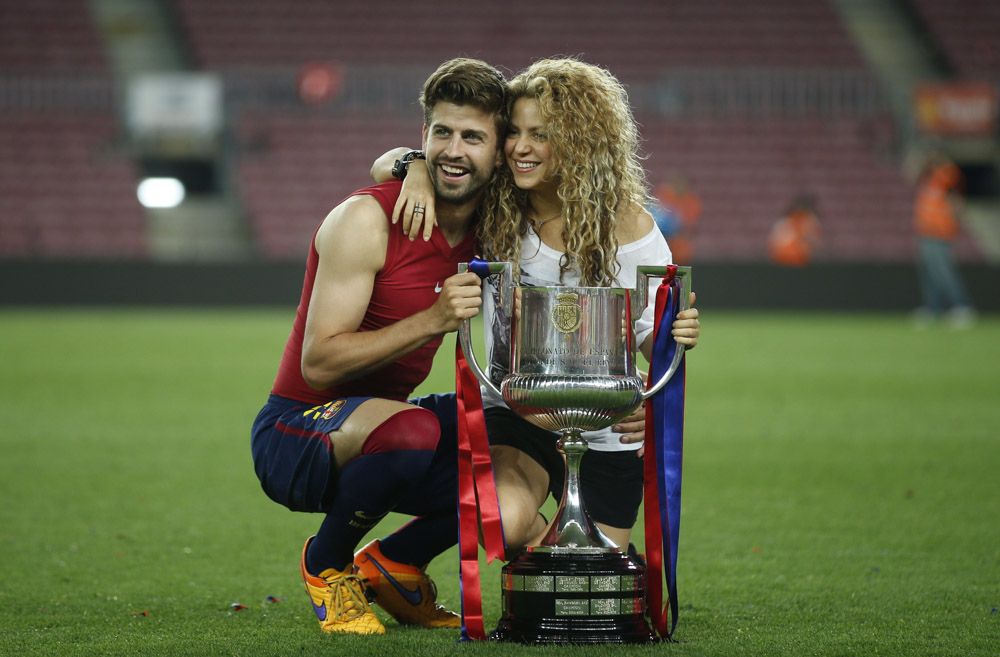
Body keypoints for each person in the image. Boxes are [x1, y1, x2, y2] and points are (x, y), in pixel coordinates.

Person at [372, 58, 700, 553]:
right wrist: (415, 168)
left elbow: (650, 335)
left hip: (604, 425)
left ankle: (400, 561)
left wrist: (671, 344)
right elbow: (386, 163)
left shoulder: (632, 229)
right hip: (515, 413)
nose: (521, 148)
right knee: (502, 523)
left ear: (580, 141)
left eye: (540, 134)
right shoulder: (494, 204)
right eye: (515, 132)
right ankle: (414, 557)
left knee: (593, 577)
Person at [250, 58, 508, 635]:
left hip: (386, 427)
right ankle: (326, 566)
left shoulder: (492, 228)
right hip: (296, 432)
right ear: (423, 137)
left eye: (473, 136)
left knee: (510, 445)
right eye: (441, 133)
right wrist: (431, 320)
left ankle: (395, 564)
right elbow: (318, 364)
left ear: (499, 151)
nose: (453, 150)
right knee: (412, 432)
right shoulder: (366, 219)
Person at [911, 152, 976, 328]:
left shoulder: (944, 177)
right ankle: (933, 308)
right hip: (926, 232)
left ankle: (962, 306)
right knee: (929, 273)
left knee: (944, 272)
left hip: (940, 233)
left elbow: (954, 179)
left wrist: (940, 161)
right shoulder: (927, 181)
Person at [653, 170, 702, 264]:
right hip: (661, 246)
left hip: (680, 249)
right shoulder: (664, 195)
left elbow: (690, 226)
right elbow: (655, 215)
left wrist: (675, 225)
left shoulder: (691, 201)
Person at [768, 194, 822, 266]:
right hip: (783, 262)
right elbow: (776, 246)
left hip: (802, 262)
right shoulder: (785, 222)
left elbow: (813, 242)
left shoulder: (809, 222)